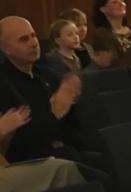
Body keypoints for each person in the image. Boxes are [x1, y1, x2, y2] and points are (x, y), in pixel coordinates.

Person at [0, 15, 81, 163]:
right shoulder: (4, 84)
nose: (34, 43)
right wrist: (55, 113)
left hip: (65, 150)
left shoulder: (47, 74)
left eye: (34, 36)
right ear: (7, 49)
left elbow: (74, 123)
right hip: (31, 161)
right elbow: (22, 142)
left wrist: (73, 99)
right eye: (24, 39)